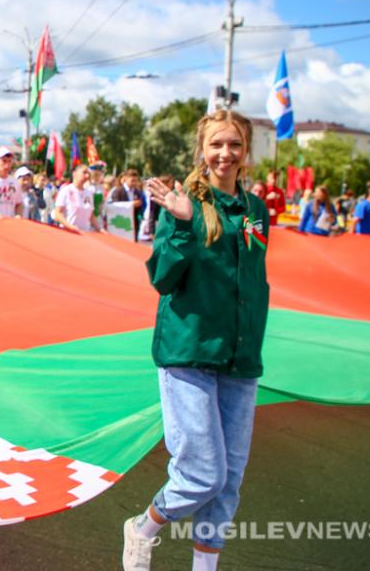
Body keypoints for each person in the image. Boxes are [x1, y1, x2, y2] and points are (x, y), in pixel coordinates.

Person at [125, 109, 270, 571]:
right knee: (202, 474)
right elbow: (164, 279)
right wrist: (185, 224)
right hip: (189, 352)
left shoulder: (257, 210)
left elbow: (249, 279)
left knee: (227, 483)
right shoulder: (182, 203)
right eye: (216, 145)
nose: (225, 154)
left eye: (234, 145)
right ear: (201, 151)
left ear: (246, 151)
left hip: (240, 358)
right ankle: (143, 529)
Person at [53, 164, 100, 233]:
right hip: (68, 232)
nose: (87, 176)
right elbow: (57, 213)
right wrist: (70, 226)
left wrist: (99, 229)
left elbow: (91, 216)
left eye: (88, 174)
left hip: (84, 234)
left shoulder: (89, 193)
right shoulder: (66, 190)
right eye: (84, 172)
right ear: (74, 174)